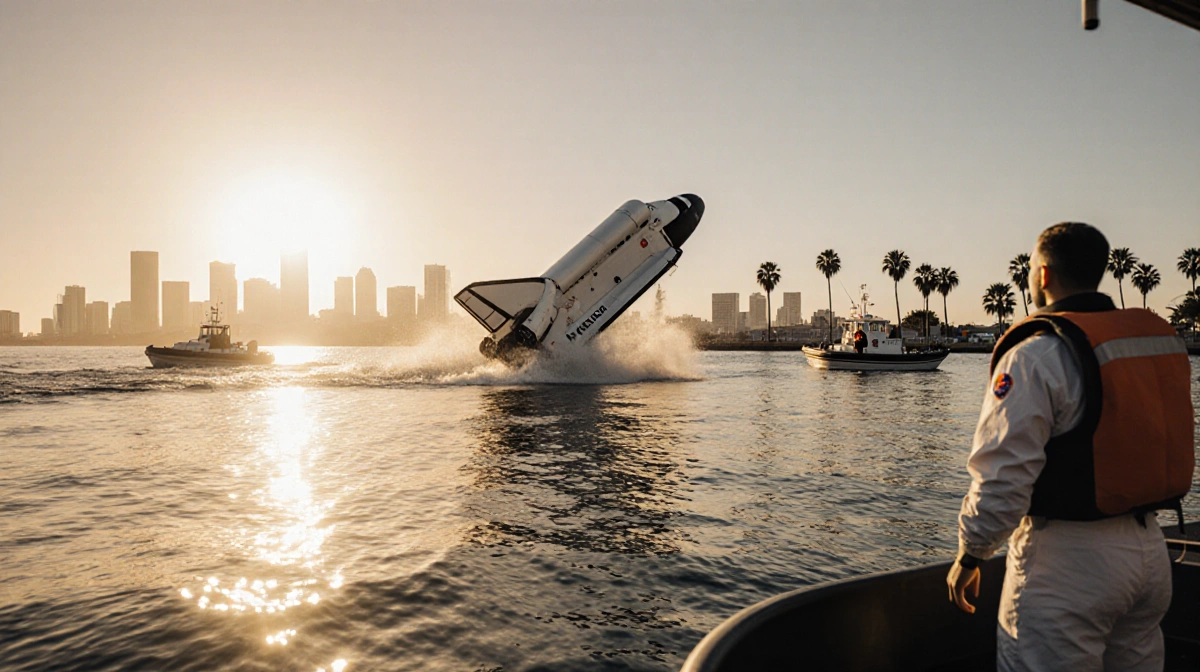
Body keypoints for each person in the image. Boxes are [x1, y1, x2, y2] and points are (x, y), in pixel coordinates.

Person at [946, 222, 1193, 671]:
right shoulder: (1152, 343)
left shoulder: (1038, 353)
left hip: (1068, 566)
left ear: (1042, 275)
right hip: (1150, 556)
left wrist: (971, 553)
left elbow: (1004, 475)